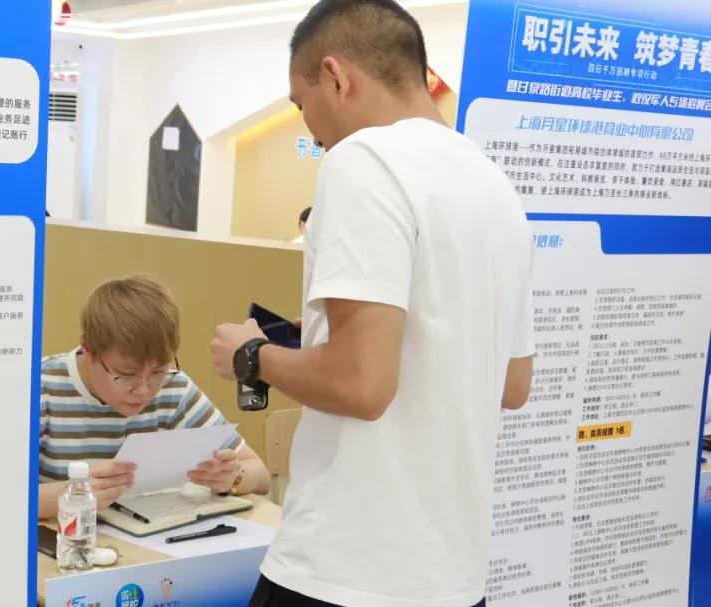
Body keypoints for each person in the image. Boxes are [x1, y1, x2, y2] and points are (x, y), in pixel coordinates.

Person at [209, 1, 534, 606]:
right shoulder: (493, 184)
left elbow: (362, 385)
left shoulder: (362, 160)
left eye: (301, 103)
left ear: (336, 76)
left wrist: (251, 355)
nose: (311, 130)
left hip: (345, 567)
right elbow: (513, 384)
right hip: (451, 578)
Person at [39, 274, 270, 519]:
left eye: (158, 371)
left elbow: (261, 475)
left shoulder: (174, 388)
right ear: (87, 347)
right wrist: (76, 494)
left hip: (149, 534)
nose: (144, 391)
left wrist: (233, 477)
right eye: (126, 375)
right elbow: (8, 498)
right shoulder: (40, 388)